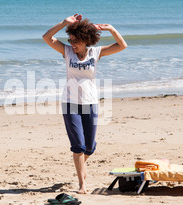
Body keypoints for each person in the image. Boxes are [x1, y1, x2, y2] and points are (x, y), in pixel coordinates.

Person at [42, 14, 127, 194]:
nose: (73, 44)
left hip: (91, 103)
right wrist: (64, 23)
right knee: (78, 146)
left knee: (89, 147)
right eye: (71, 39)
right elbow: (46, 37)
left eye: (77, 41)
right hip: (70, 103)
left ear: (87, 40)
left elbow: (122, 46)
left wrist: (111, 29)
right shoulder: (66, 52)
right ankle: (82, 184)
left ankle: (80, 166)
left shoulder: (96, 53)